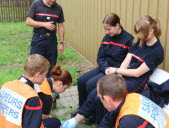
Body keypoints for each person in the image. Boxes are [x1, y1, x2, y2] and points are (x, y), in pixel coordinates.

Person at [62, 15, 164, 127]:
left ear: (151, 31)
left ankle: (102, 124)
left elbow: (137, 72)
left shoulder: (157, 51)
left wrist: (116, 70)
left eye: (140, 32)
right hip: (124, 74)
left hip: (137, 82)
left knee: (103, 97)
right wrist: (118, 75)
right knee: (97, 91)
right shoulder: (139, 41)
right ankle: (75, 120)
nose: (138, 35)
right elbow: (127, 59)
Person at [71, 13, 134, 119]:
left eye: (109, 29)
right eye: (105, 29)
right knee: (82, 80)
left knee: (90, 84)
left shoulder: (128, 39)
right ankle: (82, 109)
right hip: (105, 68)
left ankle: (92, 113)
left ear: (117, 25)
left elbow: (129, 62)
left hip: (116, 72)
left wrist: (114, 70)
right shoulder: (107, 37)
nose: (107, 32)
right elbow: (100, 57)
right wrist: (105, 68)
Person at [96, 74, 169, 128]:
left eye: (99, 97)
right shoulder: (133, 96)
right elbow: (110, 117)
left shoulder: (128, 122)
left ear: (107, 99)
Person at [0, 54, 50, 128]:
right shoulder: (32, 98)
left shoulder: (6, 86)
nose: (45, 77)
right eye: (45, 74)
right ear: (38, 75)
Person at [26, 0, 65, 77]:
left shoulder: (58, 8)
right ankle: (34, 86)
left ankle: (48, 86)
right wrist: (44, 24)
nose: (53, 1)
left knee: (51, 67)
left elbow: (61, 26)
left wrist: (61, 43)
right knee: (35, 65)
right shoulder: (36, 4)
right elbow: (28, 21)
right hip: (38, 39)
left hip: (52, 40)